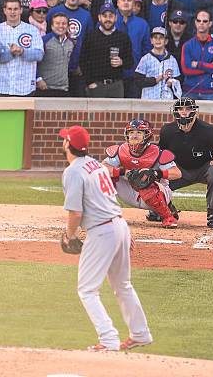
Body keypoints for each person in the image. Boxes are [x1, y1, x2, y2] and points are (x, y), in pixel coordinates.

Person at [59, 124, 153, 352]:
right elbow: (110, 199)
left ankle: (109, 339)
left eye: (64, 140)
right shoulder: (95, 164)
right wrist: (122, 232)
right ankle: (140, 333)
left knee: (87, 289)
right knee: (123, 285)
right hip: (118, 225)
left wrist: (68, 236)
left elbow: (75, 213)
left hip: (102, 231)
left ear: (68, 145)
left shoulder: (72, 171)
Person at [158, 97, 213, 228]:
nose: (184, 112)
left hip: (204, 167)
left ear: (195, 111)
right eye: (180, 109)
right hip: (179, 170)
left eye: (188, 108)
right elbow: (161, 153)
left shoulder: (208, 130)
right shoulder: (167, 131)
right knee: (157, 176)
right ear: (175, 111)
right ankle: (164, 210)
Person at [102, 119, 182, 228]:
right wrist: (123, 172)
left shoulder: (157, 152)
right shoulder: (121, 150)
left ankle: (167, 216)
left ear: (146, 135)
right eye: (131, 132)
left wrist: (155, 173)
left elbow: (177, 173)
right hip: (130, 190)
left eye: (139, 133)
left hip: (157, 191)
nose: (134, 136)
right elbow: (102, 168)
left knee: (145, 180)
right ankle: (108, 214)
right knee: (103, 177)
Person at [47, 0, 94, 97]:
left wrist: (83, 67)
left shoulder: (86, 15)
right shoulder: (54, 11)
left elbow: (89, 43)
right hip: (55, 68)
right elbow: (47, 36)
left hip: (76, 69)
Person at [0, 0, 44, 96]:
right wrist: (10, 53)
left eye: (15, 9)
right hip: (1, 85)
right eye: (9, 9)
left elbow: (39, 55)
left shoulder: (32, 30)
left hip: (25, 86)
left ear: (21, 10)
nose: (12, 12)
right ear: (4, 11)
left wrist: (22, 51)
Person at [80, 2, 133, 98]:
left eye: (110, 16)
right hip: (96, 85)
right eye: (104, 16)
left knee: (117, 113)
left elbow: (130, 61)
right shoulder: (91, 37)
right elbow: (83, 61)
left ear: (116, 18)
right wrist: (89, 82)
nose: (107, 19)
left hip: (116, 86)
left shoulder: (123, 37)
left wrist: (122, 62)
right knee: (95, 113)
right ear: (99, 17)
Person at [181, 8, 213, 100]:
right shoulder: (187, 45)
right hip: (189, 91)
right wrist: (210, 68)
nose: (201, 23)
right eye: (199, 20)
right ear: (195, 22)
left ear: (210, 23)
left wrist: (198, 64)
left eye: (205, 21)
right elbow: (186, 70)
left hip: (210, 91)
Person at [115, 0, 151, 98]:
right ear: (117, 2)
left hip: (134, 75)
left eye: (129, 0)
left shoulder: (142, 24)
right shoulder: (109, 21)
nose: (126, 2)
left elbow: (147, 50)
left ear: (134, 3)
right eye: (123, 0)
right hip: (113, 76)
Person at [135, 27, 182, 99]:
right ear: (151, 41)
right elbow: (138, 80)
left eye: (161, 38)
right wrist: (154, 80)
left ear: (166, 41)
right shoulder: (145, 59)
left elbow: (178, 79)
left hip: (166, 100)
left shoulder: (172, 60)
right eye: (155, 37)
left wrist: (172, 83)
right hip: (149, 99)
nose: (158, 40)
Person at [36, 12, 73, 97]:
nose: (61, 26)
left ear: (68, 26)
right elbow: (34, 63)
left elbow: (71, 64)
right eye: (57, 23)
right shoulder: (44, 40)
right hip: (45, 88)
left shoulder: (71, 43)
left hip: (63, 89)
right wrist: (38, 79)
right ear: (52, 26)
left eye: (64, 23)